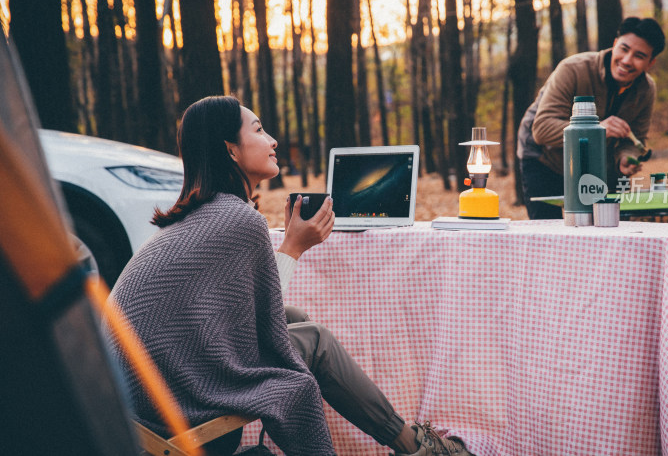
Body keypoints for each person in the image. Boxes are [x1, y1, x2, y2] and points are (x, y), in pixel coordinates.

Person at [106, 96, 471, 456]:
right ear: (231, 150)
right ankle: (417, 447)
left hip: (136, 400)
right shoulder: (235, 219)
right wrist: (293, 247)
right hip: (170, 408)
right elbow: (259, 317)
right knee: (314, 341)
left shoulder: (199, 216)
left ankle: (410, 442)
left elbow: (248, 315)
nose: (273, 140)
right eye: (260, 130)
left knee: (294, 319)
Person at [516, 16, 666, 219]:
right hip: (545, 159)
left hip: (597, 167)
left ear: (651, 62)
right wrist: (597, 131)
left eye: (639, 56)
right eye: (624, 49)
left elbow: (635, 136)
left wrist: (624, 158)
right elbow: (542, 129)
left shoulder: (646, 90)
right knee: (550, 233)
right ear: (614, 44)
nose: (627, 60)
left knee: (613, 227)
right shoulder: (573, 69)